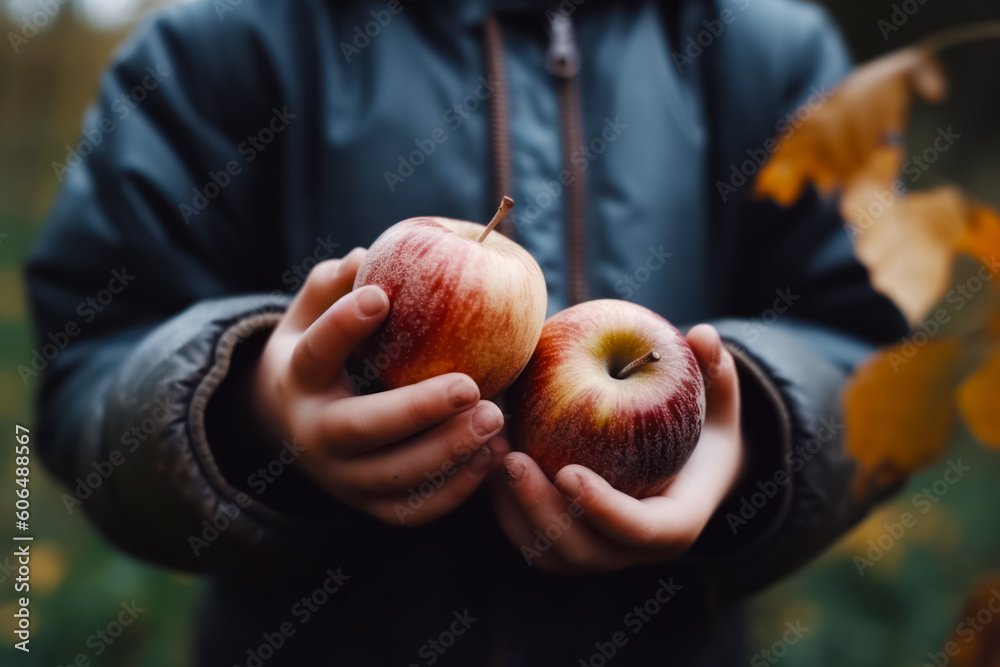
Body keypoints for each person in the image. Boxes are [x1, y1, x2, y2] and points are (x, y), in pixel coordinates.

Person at [27, 0, 908, 664]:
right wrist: (253, 407)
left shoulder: (771, 53)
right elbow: (88, 361)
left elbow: (871, 348)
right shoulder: (223, 41)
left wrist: (748, 435)